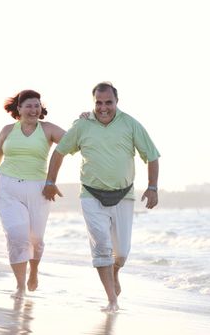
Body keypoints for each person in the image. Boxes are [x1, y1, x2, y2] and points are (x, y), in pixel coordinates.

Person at [42, 81, 160, 312]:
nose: (103, 107)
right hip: (91, 194)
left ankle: (115, 271)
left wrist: (152, 187)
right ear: (93, 102)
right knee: (102, 247)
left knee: (122, 254)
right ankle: (111, 300)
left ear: (117, 102)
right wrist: (50, 181)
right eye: (99, 103)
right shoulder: (82, 125)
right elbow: (60, 151)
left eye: (108, 103)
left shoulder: (131, 124)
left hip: (123, 195)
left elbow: (152, 156)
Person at [0, 90, 65, 299]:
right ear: (19, 109)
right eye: (29, 105)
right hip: (8, 186)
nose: (34, 110)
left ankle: (34, 271)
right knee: (17, 236)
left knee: (36, 239)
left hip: (38, 188)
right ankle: (20, 286)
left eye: (37, 106)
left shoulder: (48, 129)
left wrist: (85, 121)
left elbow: (73, 141)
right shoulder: (7, 130)